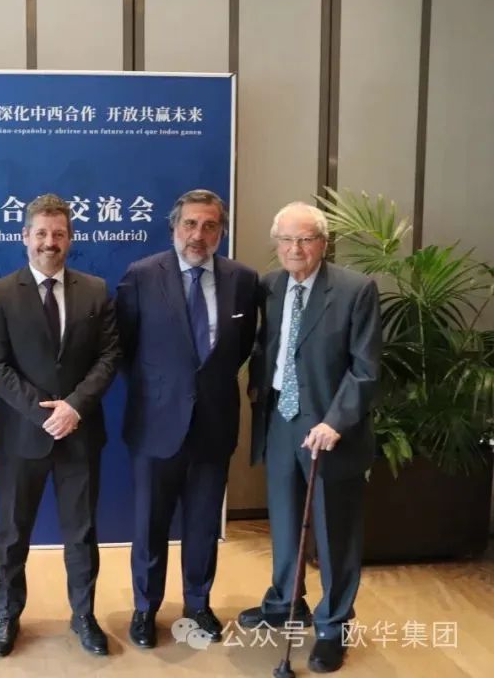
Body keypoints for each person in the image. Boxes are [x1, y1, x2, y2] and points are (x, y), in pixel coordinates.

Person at [238, 202, 380, 673]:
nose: (295, 249)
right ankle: (285, 603)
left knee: (334, 531)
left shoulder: (355, 289)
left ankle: (333, 626)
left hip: (329, 429)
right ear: (276, 243)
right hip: (281, 419)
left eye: (305, 239)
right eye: (286, 239)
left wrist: (336, 421)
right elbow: (267, 346)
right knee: (284, 520)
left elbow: (365, 368)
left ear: (323, 243)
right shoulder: (270, 286)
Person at [0, 193, 121, 657]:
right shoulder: (0, 293)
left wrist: (74, 407)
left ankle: (84, 615)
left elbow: (109, 356)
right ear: (25, 236)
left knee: (82, 532)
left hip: (80, 431)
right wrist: (45, 413)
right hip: (22, 434)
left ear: (70, 238)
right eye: (41, 233)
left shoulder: (96, 290)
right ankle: (7, 615)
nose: (49, 242)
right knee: (12, 533)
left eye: (58, 234)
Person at [115, 189, 258, 648]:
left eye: (210, 226)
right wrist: (162, 390)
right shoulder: (141, 275)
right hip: (155, 423)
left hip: (213, 424)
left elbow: (241, 346)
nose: (199, 235)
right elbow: (124, 348)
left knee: (203, 524)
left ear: (222, 232)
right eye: (190, 224)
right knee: (149, 525)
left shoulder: (243, 280)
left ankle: (198, 603)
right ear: (174, 227)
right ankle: (145, 608)